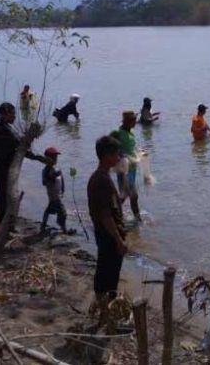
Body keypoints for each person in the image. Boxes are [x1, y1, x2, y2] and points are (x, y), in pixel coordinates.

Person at [0, 102, 44, 226]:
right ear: (4, 114)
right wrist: (5, 142)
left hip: (9, 169)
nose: (14, 117)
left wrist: (37, 157)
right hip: (0, 168)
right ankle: (3, 227)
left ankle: (8, 225)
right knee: (4, 199)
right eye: (12, 114)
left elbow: (20, 149)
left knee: (9, 198)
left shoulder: (9, 129)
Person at [88, 135, 127, 325]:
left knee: (106, 272)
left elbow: (108, 207)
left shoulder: (102, 178)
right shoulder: (101, 180)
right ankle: (106, 313)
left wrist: (121, 198)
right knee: (108, 276)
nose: (119, 158)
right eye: (116, 154)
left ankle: (105, 312)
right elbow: (105, 216)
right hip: (108, 235)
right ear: (106, 156)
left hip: (105, 233)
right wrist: (119, 240)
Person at [110, 110, 142, 222]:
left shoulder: (131, 133)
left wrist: (140, 153)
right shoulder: (117, 132)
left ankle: (136, 219)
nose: (135, 122)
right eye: (133, 120)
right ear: (127, 121)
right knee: (126, 195)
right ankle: (113, 215)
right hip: (123, 169)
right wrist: (118, 155)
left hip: (132, 169)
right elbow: (108, 144)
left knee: (132, 196)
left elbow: (130, 148)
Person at [40, 146, 75, 235]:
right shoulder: (46, 170)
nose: (55, 159)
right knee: (62, 212)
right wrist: (52, 176)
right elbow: (44, 182)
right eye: (53, 157)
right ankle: (64, 230)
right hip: (53, 195)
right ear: (46, 159)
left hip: (57, 194)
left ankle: (43, 225)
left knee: (50, 209)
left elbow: (62, 179)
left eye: (56, 157)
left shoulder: (57, 169)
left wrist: (63, 189)